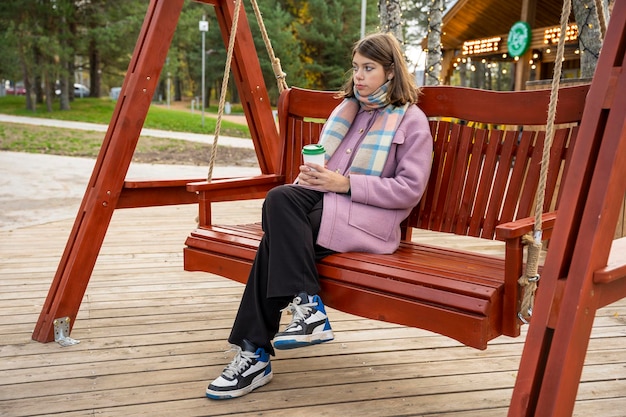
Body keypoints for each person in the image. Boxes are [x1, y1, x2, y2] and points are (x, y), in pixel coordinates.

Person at [205, 32, 433, 400]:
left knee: (277, 234)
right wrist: (316, 177)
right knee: (280, 202)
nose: (359, 76)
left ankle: (255, 352)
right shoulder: (349, 110)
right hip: (326, 211)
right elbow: (322, 182)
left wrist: (343, 183)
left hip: (370, 224)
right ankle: (306, 307)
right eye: (356, 67)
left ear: (391, 72)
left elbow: (409, 190)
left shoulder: (411, 121)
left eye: (369, 68)